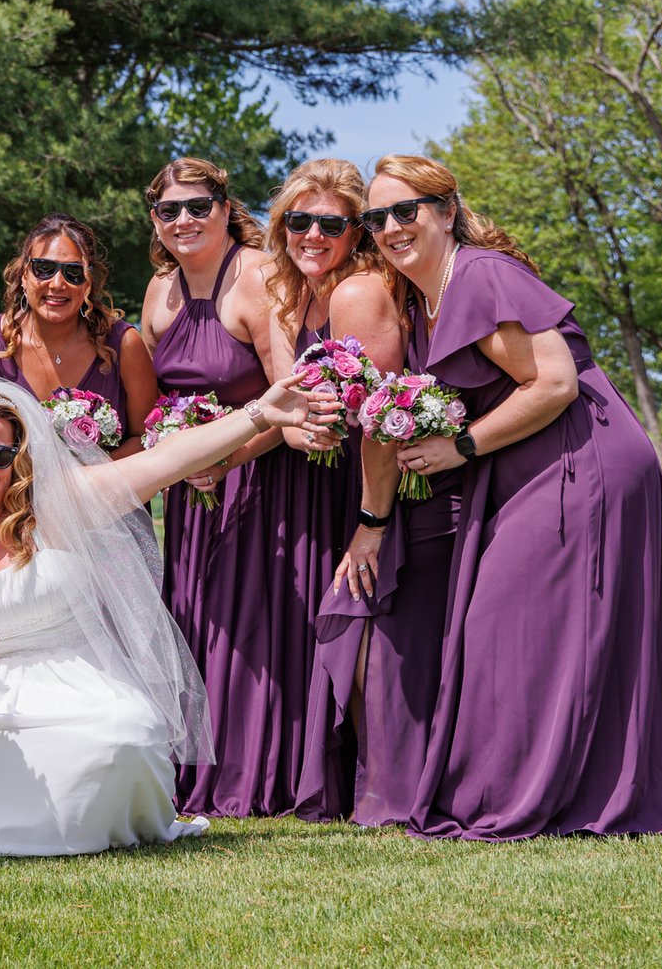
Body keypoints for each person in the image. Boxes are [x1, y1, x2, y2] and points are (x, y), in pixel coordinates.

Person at [0, 372, 339, 859]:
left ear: (20, 461)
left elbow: (168, 460)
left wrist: (260, 414)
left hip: (69, 678)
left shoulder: (59, 512)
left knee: (127, 734)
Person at [366, 154, 662, 840]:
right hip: (529, 463)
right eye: (376, 218)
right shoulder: (423, 296)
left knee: (510, 625)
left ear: (446, 211)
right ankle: (561, 788)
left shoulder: (479, 276)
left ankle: (527, 796)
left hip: (583, 456)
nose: (390, 227)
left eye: (405, 210)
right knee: (516, 630)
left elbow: (555, 383)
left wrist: (461, 446)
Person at [255, 159, 458, 827]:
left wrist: (372, 522)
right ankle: (367, 789)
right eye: (298, 221)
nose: (312, 235)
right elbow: (293, 406)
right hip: (329, 484)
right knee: (354, 633)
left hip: (379, 482)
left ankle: (393, 794)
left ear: (358, 234)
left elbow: (381, 416)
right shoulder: (295, 295)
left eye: (331, 225)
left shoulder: (359, 291)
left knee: (373, 635)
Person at [140, 156, 313, 817]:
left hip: (257, 481)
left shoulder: (259, 275)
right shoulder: (159, 290)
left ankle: (252, 774)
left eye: (197, 206)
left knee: (248, 629)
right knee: (195, 621)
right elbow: (152, 399)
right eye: (169, 210)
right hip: (189, 492)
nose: (183, 220)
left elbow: (290, 397)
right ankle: (189, 768)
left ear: (223, 209)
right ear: (155, 220)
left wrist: (229, 458)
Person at [0, 213, 157, 459]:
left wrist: (86, 477)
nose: (57, 283)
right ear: (24, 274)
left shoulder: (124, 344)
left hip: (106, 482)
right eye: (44, 269)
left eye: (74, 272)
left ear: (88, 282)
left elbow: (146, 438)